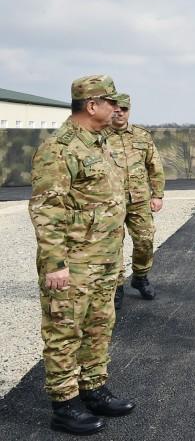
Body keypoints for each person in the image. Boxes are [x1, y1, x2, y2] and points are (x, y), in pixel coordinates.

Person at [29, 75, 135, 435]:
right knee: (64, 331)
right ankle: (64, 404)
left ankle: (93, 388)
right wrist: (55, 263)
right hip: (73, 262)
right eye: (111, 102)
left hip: (103, 259)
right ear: (92, 106)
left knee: (99, 326)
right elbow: (47, 210)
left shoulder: (98, 142)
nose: (117, 109)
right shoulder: (59, 149)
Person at [104, 94, 165, 309]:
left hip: (139, 200)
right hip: (110, 202)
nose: (119, 112)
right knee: (113, 245)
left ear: (129, 110)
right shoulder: (98, 137)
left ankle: (140, 276)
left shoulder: (142, 136)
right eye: (115, 108)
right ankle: (117, 286)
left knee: (145, 240)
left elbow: (154, 166)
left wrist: (157, 195)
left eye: (124, 108)